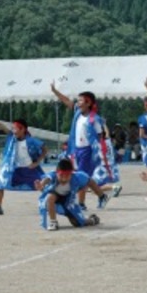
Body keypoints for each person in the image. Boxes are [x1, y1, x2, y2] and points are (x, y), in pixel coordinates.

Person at [51, 82, 106, 211]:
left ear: (88, 103)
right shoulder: (77, 113)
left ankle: (81, 203)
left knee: (82, 177)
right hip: (75, 149)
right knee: (80, 176)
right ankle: (101, 195)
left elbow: (100, 136)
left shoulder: (94, 119)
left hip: (87, 151)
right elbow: (67, 101)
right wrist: (55, 91)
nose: (78, 102)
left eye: (81, 100)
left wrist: (97, 152)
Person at [0, 109, 47, 216]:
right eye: (13, 128)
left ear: (23, 129)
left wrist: (37, 163)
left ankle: (53, 203)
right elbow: (1, 126)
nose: (13, 131)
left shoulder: (31, 140)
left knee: (42, 186)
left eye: (16, 128)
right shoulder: (11, 137)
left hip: (29, 169)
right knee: (0, 184)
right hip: (15, 169)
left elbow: (45, 149)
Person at [35, 158, 109, 231]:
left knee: (78, 223)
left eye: (67, 176)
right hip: (54, 198)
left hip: (68, 201)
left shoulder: (78, 177)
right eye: (61, 176)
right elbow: (46, 179)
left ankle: (92, 219)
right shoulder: (52, 175)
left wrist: (101, 195)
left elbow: (91, 182)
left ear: (71, 173)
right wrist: (41, 184)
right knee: (50, 197)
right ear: (57, 172)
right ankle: (53, 222)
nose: (64, 179)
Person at [92, 122, 123, 198]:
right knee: (96, 185)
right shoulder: (108, 141)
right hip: (110, 164)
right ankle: (113, 188)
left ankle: (114, 187)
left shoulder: (97, 143)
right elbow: (107, 133)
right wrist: (104, 123)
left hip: (102, 166)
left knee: (95, 188)